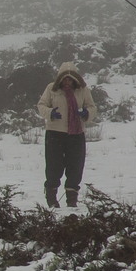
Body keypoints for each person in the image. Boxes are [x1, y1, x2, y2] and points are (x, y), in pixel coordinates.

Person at [36, 61, 96, 208]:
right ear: (60, 78)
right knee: (53, 167)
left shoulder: (83, 90)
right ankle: (51, 198)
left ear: (76, 79)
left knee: (75, 167)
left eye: (70, 79)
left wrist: (87, 113)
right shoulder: (51, 89)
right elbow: (41, 105)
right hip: (55, 134)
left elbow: (92, 106)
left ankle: (71, 200)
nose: (67, 82)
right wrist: (50, 113)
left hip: (76, 134)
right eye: (65, 79)